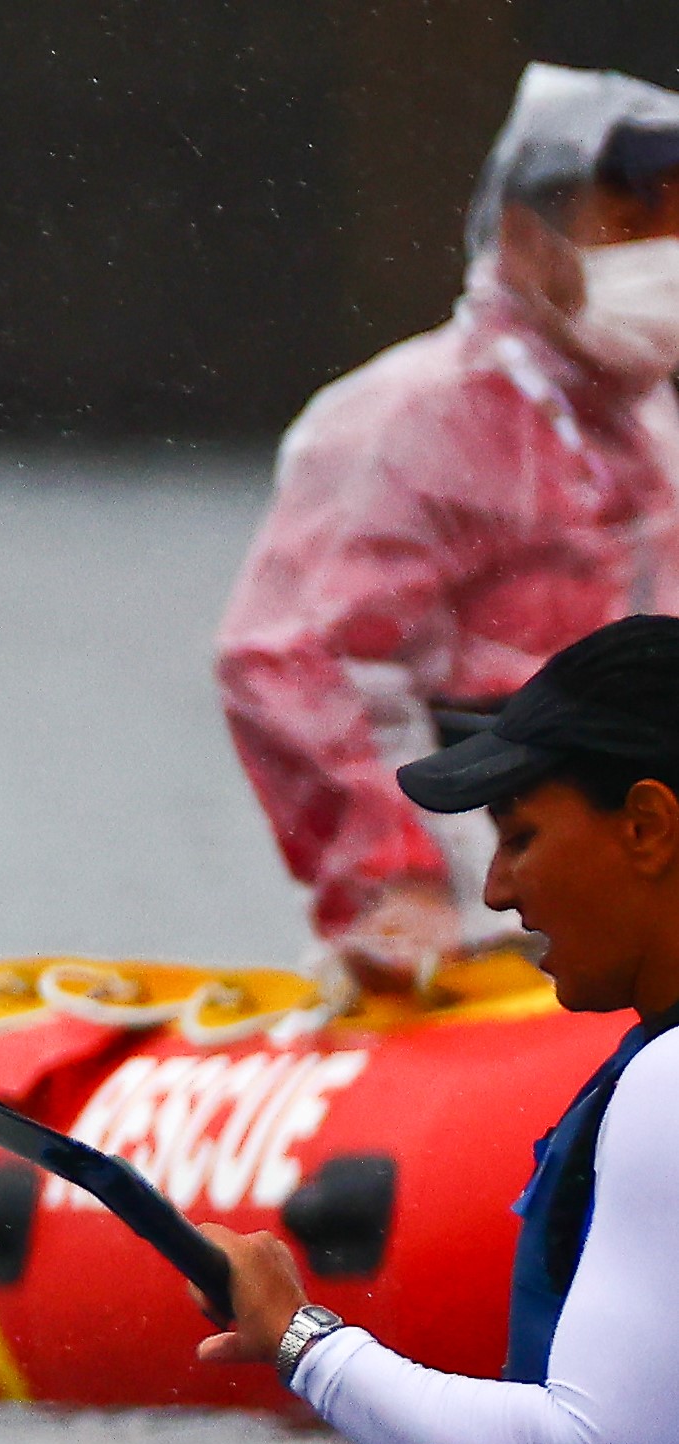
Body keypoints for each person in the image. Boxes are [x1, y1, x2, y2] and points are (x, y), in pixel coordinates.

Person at [198, 614, 679, 1444]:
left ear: (645, 825)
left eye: (520, 836)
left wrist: (301, 1343)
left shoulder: (672, 1087)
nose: (496, 891)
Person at [216, 64, 679, 994]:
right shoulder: (405, 417)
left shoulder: (654, 426)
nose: (664, 253)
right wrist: (401, 879)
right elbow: (299, 658)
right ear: (524, 238)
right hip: (477, 884)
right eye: (632, 223)